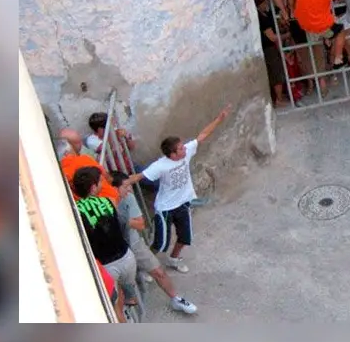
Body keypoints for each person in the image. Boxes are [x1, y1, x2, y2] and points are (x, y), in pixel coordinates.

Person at [121, 104, 232, 273]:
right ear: (172, 154)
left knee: (185, 238)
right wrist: (121, 185)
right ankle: (144, 267)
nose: (184, 148)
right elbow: (139, 176)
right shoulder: (160, 165)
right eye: (180, 148)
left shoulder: (185, 153)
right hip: (165, 208)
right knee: (160, 244)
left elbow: (202, 135)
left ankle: (173, 259)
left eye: (182, 146)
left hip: (183, 204)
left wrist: (219, 118)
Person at [109, 171, 198, 314]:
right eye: (125, 186)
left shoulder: (128, 198)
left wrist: (118, 219)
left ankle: (176, 299)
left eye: (129, 185)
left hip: (134, 242)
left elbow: (140, 224)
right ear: (113, 188)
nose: (130, 190)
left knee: (158, 271)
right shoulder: (103, 204)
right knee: (120, 286)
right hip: (116, 249)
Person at [71, 166, 140, 314]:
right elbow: (122, 225)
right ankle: (131, 301)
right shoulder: (109, 201)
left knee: (115, 304)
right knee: (129, 291)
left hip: (105, 266)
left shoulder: (75, 211)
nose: (103, 184)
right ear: (93, 187)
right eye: (100, 182)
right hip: (126, 256)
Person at [292, 0, 350, 94]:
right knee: (340, 31)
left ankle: (320, 79)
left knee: (312, 54)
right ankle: (338, 58)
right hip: (320, 25)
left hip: (302, 23)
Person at [57, 130, 120, 202]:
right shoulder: (83, 159)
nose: (80, 145)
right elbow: (107, 177)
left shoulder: (58, 173)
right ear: (67, 152)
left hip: (87, 206)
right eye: (76, 143)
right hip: (109, 200)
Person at [256, 0, 288, 107]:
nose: (267, 4)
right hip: (268, 48)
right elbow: (272, 37)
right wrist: (287, 35)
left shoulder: (265, 14)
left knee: (274, 72)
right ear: (260, 4)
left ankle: (278, 97)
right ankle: (279, 99)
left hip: (268, 47)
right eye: (265, 2)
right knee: (276, 72)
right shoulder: (261, 18)